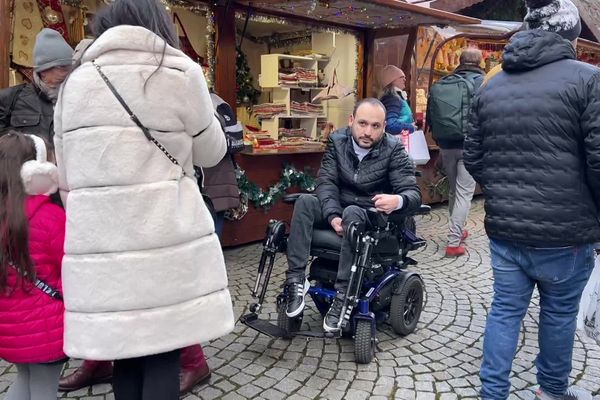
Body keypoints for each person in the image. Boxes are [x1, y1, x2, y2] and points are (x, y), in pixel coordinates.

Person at [53, 0, 235, 399]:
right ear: (158, 26)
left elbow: (65, 174)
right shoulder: (179, 73)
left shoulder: (76, 82)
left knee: (126, 354)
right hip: (165, 236)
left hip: (103, 245)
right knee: (163, 352)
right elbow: (211, 152)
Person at [464, 0, 600, 399]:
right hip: (567, 233)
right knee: (558, 316)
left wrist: (505, 193)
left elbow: (474, 156)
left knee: (505, 312)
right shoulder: (588, 80)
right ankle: (552, 391)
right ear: (572, 35)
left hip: (507, 231)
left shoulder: (491, 83)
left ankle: (493, 393)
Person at [284, 98, 422, 333]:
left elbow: (413, 193)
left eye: (375, 126)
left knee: (353, 211)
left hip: (372, 217)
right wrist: (333, 216)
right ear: (351, 121)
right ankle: (296, 281)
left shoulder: (394, 149)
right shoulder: (337, 141)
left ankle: (343, 295)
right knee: (306, 201)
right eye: (362, 123)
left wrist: (396, 200)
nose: (368, 132)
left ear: (384, 126)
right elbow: (326, 182)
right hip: (339, 211)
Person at [0, 132, 66, 400]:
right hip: (47, 329)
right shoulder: (50, 217)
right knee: (43, 389)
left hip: (11, 330)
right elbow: (69, 269)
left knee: (24, 379)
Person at [427, 48, 485, 257]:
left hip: (445, 145)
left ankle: (457, 231)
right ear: (480, 63)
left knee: (454, 190)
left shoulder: (445, 82)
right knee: (464, 193)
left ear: (460, 62)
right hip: (469, 145)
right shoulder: (483, 82)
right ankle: (453, 242)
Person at [0, 29, 73, 141]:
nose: (69, 72)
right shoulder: (10, 100)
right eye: (62, 67)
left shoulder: (78, 98)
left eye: (71, 66)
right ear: (43, 70)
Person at [379, 65, 415, 136]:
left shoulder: (396, 97)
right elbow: (390, 125)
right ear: (391, 80)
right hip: (396, 142)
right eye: (401, 77)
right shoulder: (392, 98)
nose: (405, 79)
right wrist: (411, 127)